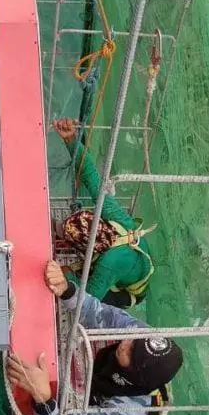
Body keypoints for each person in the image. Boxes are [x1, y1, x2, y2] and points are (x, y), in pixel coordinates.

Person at [6, 261, 183, 415]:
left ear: (136, 373)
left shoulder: (129, 413)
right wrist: (66, 289)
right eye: (134, 339)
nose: (125, 343)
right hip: (112, 380)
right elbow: (102, 314)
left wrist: (43, 398)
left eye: (131, 353)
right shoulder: (142, 336)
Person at [53, 118, 154, 307]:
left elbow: (86, 302)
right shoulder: (114, 216)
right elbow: (91, 176)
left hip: (129, 291)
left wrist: (66, 275)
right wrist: (71, 140)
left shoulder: (108, 263)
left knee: (87, 289)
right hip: (134, 256)